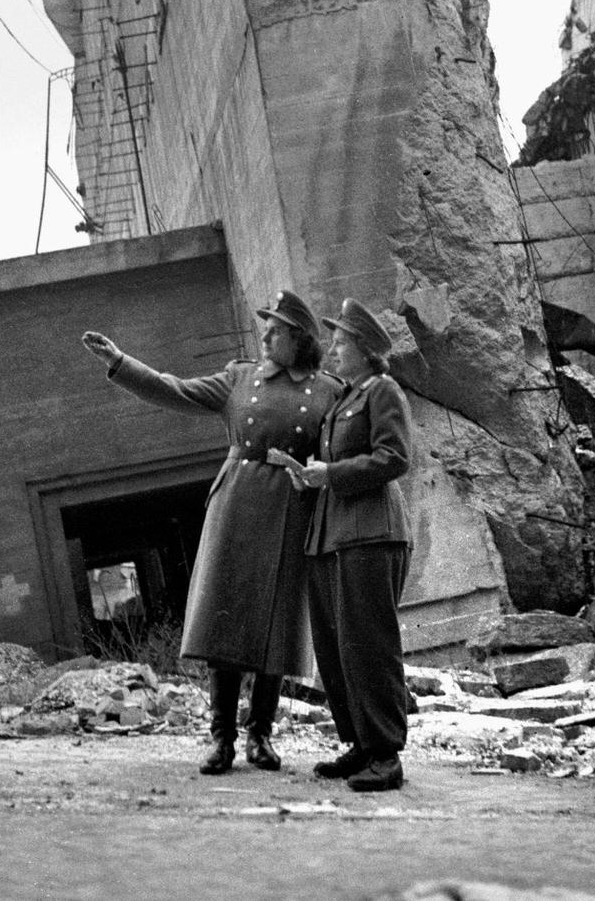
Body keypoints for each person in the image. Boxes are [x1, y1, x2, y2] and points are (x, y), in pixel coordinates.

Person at [81, 290, 342, 775]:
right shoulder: (240, 378)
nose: (265, 335)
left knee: (275, 624)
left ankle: (260, 735)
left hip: (292, 509)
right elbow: (175, 390)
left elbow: (345, 449)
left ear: (300, 339)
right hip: (237, 504)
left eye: (276, 329)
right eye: (265, 327)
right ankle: (221, 738)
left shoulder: (329, 390)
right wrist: (120, 363)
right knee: (228, 619)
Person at [283, 297, 413, 793]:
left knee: (369, 646)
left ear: (363, 348)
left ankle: (385, 754)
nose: (333, 350)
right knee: (336, 648)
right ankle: (360, 743)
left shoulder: (382, 391)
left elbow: (395, 458)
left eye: (341, 342)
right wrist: (310, 478)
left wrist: (330, 474)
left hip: (370, 534)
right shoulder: (345, 397)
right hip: (335, 534)